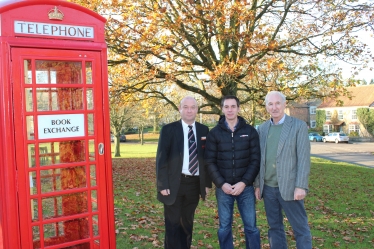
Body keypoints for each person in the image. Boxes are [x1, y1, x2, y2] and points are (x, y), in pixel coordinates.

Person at [254, 91, 312, 249]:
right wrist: (258, 184)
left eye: (277, 103)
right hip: (269, 189)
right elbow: (259, 159)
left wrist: (301, 185)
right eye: (270, 104)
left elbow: (304, 158)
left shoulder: (298, 126)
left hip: (291, 188)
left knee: (300, 229)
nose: (274, 107)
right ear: (266, 107)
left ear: (285, 104)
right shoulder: (263, 128)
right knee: (275, 228)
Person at [204, 95, 261, 249]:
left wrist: (244, 183)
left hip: (246, 188)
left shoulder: (250, 131)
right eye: (226, 107)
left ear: (238, 108)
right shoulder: (214, 133)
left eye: (233, 106)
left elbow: (255, 161)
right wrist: (221, 184)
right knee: (224, 228)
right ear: (222, 109)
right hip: (224, 188)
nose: (230, 110)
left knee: (251, 227)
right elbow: (209, 161)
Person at [156, 96, 211, 249]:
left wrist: (206, 184)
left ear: (197, 110)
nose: (189, 110)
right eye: (185, 107)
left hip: (194, 184)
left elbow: (206, 160)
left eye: (192, 107)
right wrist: (162, 184)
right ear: (179, 109)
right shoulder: (169, 130)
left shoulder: (203, 130)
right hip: (173, 184)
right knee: (173, 225)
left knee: (187, 224)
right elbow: (161, 159)